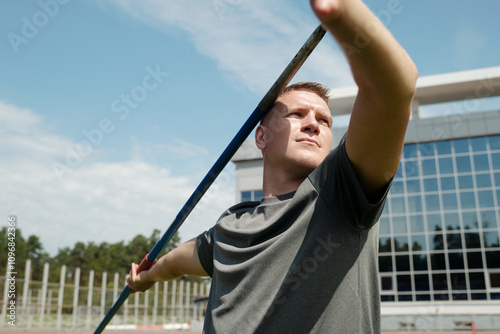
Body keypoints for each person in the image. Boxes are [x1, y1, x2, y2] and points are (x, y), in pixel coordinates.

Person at [127, 0, 418, 332]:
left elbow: (394, 90)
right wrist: (146, 277)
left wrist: (344, 11)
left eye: (324, 120)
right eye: (297, 114)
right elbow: (177, 261)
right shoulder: (231, 226)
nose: (314, 124)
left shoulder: (342, 195)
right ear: (261, 137)